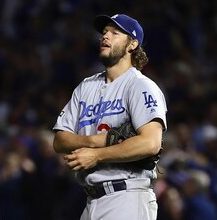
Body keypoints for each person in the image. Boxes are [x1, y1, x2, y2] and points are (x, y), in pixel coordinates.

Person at [53, 13, 167, 220]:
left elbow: (151, 143)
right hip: (91, 199)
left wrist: (96, 155)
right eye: (104, 32)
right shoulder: (86, 87)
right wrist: (93, 142)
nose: (105, 37)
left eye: (115, 33)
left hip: (128, 197)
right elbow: (60, 140)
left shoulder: (140, 86)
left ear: (132, 45)